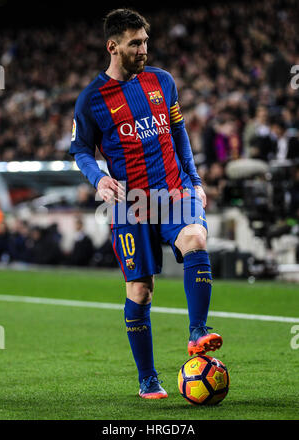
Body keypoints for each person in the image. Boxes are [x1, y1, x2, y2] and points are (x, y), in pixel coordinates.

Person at [69, 8, 222, 400]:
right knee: (140, 290)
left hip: (174, 192)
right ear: (113, 47)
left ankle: (198, 331)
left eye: (145, 42)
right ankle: (148, 379)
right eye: (135, 43)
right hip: (129, 203)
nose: (144, 49)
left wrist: (197, 181)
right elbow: (81, 149)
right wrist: (99, 177)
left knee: (196, 238)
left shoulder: (163, 82)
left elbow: (178, 132)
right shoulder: (91, 100)